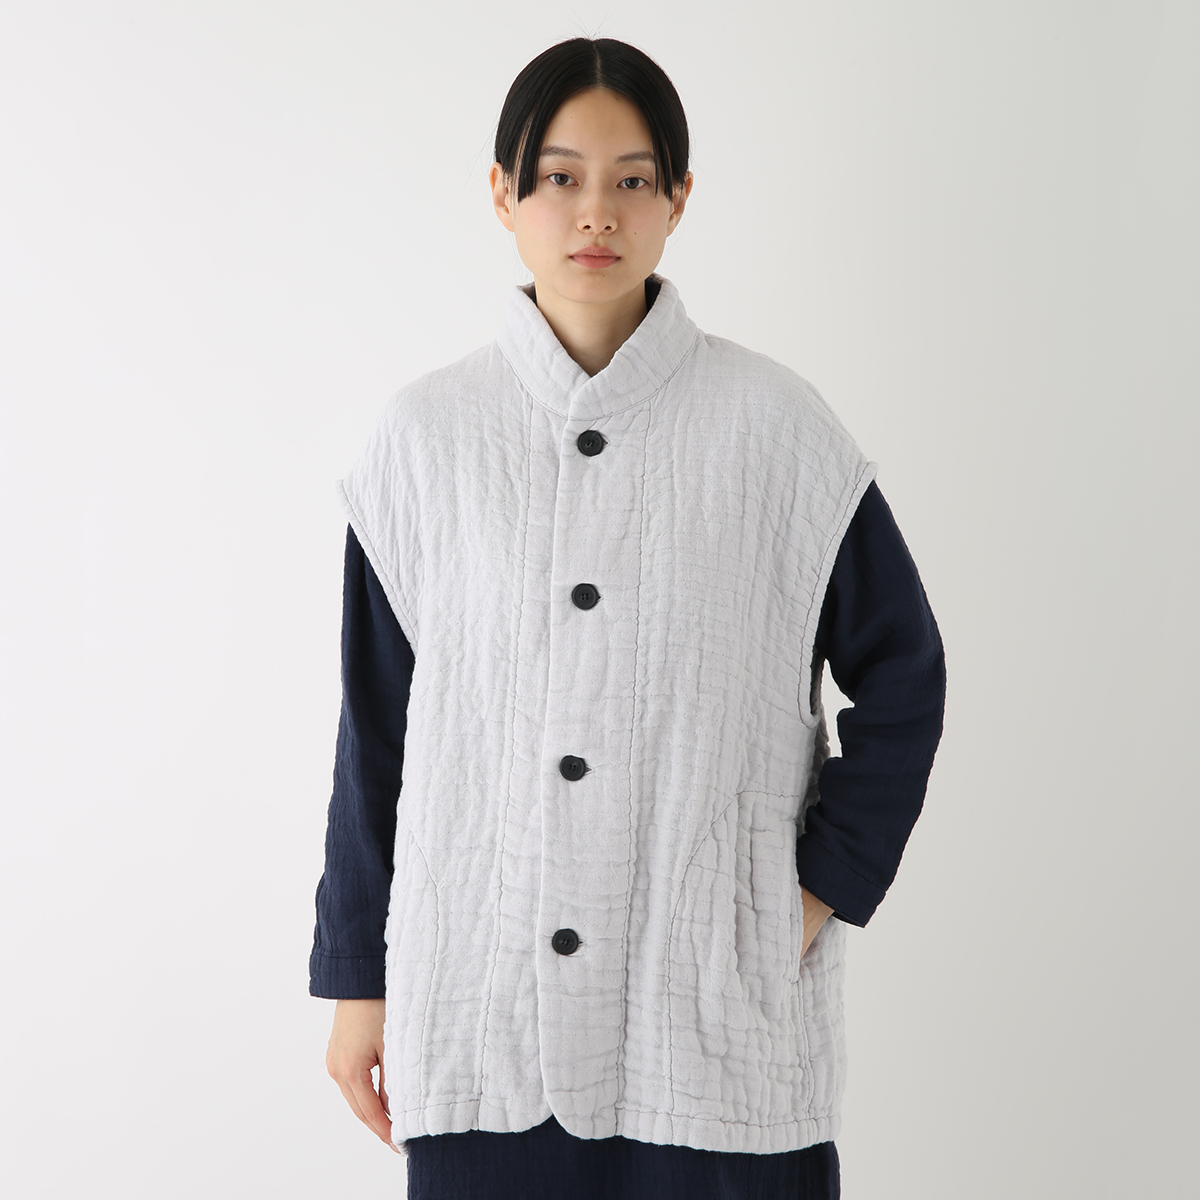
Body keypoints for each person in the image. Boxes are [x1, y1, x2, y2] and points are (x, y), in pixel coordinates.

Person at [310, 36, 945, 1200]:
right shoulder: (424, 442)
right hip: (483, 1023)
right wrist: (360, 980)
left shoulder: (778, 431)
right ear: (502, 192)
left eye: (632, 179)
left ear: (678, 198)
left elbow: (904, 675)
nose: (594, 211)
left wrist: (811, 894)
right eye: (558, 176)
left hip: (713, 1035)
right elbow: (376, 733)